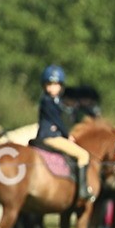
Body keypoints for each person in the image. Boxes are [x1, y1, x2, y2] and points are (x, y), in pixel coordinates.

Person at [35, 64, 93, 201]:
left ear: (61, 86)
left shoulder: (54, 101)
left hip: (50, 135)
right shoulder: (47, 101)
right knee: (83, 155)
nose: (51, 88)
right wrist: (68, 136)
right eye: (48, 84)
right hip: (50, 136)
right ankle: (83, 190)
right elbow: (57, 121)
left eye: (55, 84)